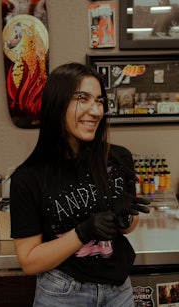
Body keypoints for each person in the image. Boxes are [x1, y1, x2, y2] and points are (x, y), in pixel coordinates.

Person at [10, 62, 150, 307]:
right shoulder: (28, 178)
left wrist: (123, 219)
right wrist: (83, 232)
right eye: (82, 98)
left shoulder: (118, 158)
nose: (95, 111)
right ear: (57, 104)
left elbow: (129, 226)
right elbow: (29, 261)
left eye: (99, 101)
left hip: (119, 290)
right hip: (63, 293)